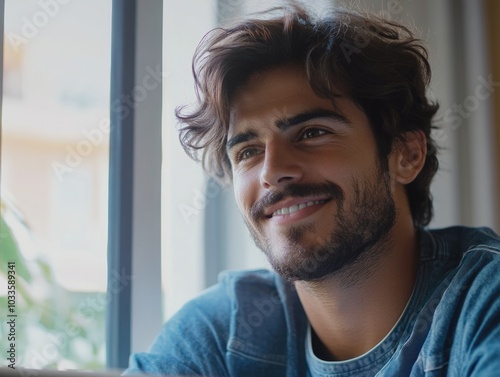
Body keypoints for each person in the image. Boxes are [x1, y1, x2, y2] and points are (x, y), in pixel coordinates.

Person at [125, 5, 500, 376]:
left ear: (406, 154)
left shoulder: (482, 300)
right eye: (249, 151)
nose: (272, 172)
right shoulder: (222, 332)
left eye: (312, 133)